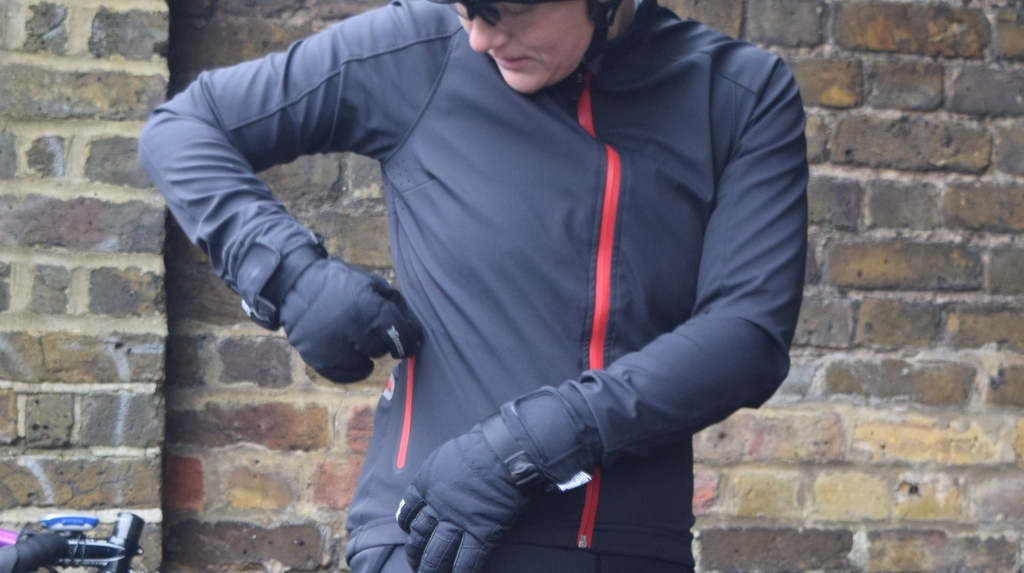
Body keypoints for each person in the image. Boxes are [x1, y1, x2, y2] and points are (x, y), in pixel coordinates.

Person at [138, 0, 809, 568]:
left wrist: (534, 443)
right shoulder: (420, 50)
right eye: (465, 9)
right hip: (431, 540)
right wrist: (289, 273)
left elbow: (745, 335)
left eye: (505, 12)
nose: (481, 38)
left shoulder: (737, 94)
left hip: (630, 548)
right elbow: (186, 128)